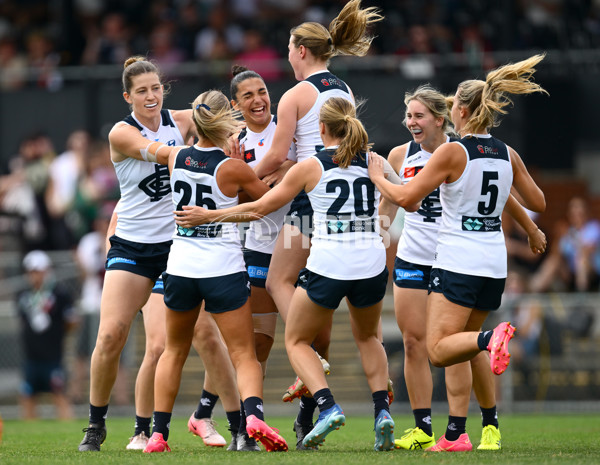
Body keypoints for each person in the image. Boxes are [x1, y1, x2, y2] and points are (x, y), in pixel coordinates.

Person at [178, 97, 396, 452]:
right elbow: (403, 195)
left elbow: (261, 208)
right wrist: (378, 222)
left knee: (296, 340)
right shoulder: (375, 160)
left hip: (330, 262)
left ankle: (327, 406)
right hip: (371, 260)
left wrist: (210, 215)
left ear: (321, 129)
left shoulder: (310, 166)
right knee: (370, 338)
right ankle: (381, 412)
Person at [368, 54, 548, 451]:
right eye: (408, 116)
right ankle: (444, 431)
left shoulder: (453, 151)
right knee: (428, 343)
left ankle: (481, 422)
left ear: (448, 115)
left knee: (446, 346)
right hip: (465, 258)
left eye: (420, 115)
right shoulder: (501, 152)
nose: (412, 122)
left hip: (453, 257)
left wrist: (378, 177)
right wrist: (377, 240)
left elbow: (408, 199)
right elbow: (524, 196)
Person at [246, 0, 383, 444]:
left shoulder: (295, 94)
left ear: (302, 51)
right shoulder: (342, 89)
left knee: (276, 281)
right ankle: (311, 410)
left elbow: (275, 154)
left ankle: (315, 368)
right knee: (326, 318)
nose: (287, 54)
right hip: (350, 206)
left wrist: (244, 174)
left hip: (312, 199)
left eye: (289, 46)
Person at [141, 89, 287, 453]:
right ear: (226, 121)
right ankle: (252, 422)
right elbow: (260, 204)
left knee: (173, 351)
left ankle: (158, 436)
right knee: (243, 354)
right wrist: (251, 171)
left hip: (181, 266)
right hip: (222, 267)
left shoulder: (175, 157)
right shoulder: (232, 166)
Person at [78, 56, 196, 452]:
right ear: (128, 96)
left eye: (156, 88)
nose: (151, 96)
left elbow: (216, 114)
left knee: (160, 345)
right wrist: (203, 156)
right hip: (130, 244)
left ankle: (144, 429)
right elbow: (160, 153)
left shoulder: (180, 120)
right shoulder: (121, 133)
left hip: (174, 248)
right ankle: (95, 425)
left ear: (163, 89)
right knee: (111, 334)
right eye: (142, 91)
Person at [17, 250, 76, 420]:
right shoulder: (23, 296)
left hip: (53, 355)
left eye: (38, 271)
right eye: (32, 272)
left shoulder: (59, 293)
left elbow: (71, 320)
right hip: (31, 356)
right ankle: (29, 437)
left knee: (59, 395)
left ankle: (68, 432)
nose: (35, 276)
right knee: (27, 396)